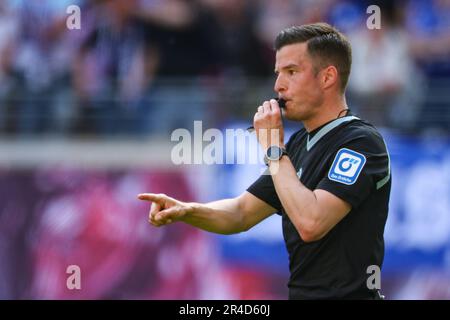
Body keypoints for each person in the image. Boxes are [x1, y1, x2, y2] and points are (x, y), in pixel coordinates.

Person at [138, 23, 391, 300]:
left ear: (327, 77)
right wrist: (187, 210)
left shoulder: (361, 143)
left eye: (291, 72)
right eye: (278, 73)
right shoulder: (296, 146)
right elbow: (241, 213)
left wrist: (272, 147)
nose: (278, 85)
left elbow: (311, 223)